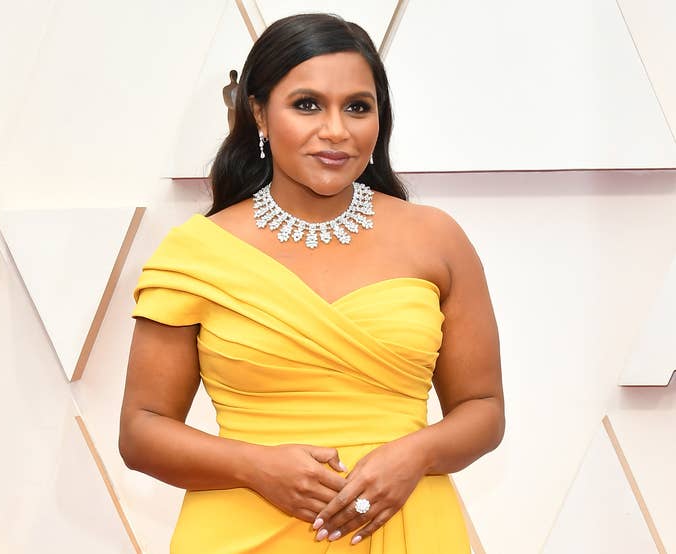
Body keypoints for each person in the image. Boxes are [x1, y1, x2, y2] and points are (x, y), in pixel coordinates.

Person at [119, 13, 504, 553]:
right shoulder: (196, 252)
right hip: (242, 529)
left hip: (407, 527)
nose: (336, 130)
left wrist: (415, 454)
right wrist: (256, 465)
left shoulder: (436, 239)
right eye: (307, 105)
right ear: (259, 112)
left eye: (357, 106)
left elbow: (483, 409)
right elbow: (141, 430)